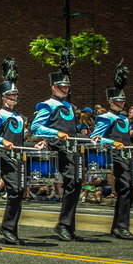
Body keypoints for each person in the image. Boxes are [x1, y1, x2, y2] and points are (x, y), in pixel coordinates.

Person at [0, 58, 38, 245]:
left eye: (16, 95)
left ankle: (9, 228)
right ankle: (8, 228)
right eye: (12, 95)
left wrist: (33, 146)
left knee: (20, 192)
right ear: (4, 97)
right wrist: (2, 140)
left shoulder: (19, 117)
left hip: (18, 157)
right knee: (16, 189)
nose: (15, 98)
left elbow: (18, 141)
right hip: (3, 156)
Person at [30, 51, 82, 242]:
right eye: (62, 87)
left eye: (67, 86)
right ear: (53, 87)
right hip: (57, 147)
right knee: (72, 182)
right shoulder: (46, 105)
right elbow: (36, 128)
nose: (65, 89)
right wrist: (56, 134)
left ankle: (68, 225)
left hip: (72, 147)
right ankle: (63, 225)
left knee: (76, 183)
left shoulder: (70, 106)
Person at [91, 61, 133, 239]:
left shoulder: (124, 118)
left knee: (129, 188)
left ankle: (118, 225)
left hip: (126, 155)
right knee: (125, 186)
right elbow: (95, 137)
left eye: (123, 100)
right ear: (110, 101)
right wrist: (113, 143)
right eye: (119, 100)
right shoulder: (105, 117)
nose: (122, 103)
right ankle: (121, 226)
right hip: (113, 155)